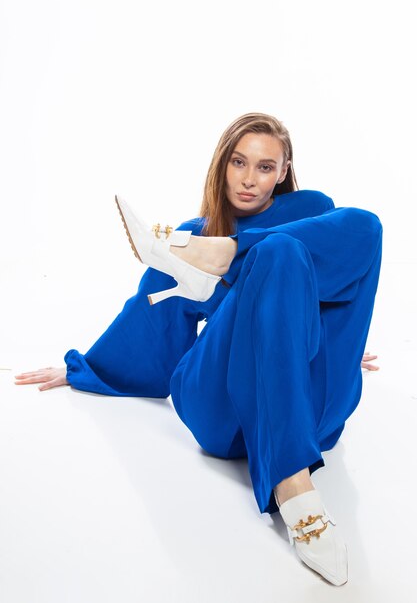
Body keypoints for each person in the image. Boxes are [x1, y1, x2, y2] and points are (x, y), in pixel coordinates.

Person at [15, 113, 383, 586]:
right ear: (221, 165)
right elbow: (148, 321)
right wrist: (86, 369)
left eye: (266, 167)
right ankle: (296, 490)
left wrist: (336, 345)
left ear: (284, 170)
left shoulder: (310, 210)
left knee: (356, 227)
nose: (250, 179)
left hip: (309, 403)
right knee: (277, 253)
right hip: (223, 412)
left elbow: (337, 293)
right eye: (238, 162)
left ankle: (227, 253)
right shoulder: (191, 232)